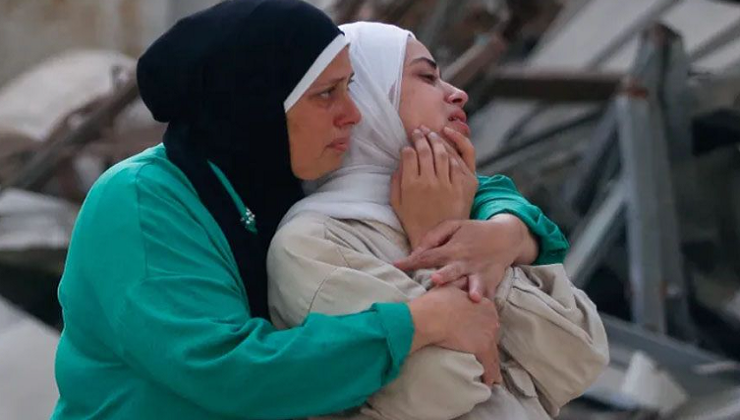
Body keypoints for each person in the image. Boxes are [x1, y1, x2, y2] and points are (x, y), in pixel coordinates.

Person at [51, 1, 567, 419]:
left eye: (350, 87)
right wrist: (419, 321)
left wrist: (505, 232)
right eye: (326, 94)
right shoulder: (141, 202)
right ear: (256, 103)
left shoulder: (281, 169)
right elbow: (227, 371)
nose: (353, 114)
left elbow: (466, 187)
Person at [268, 22, 609, 420]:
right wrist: (439, 244)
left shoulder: (470, 206)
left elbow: (581, 356)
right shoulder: (312, 242)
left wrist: (488, 234)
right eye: (428, 77)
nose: (458, 93)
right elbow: (443, 385)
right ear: (369, 95)